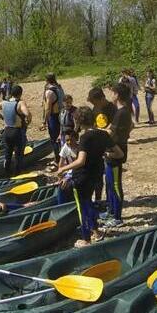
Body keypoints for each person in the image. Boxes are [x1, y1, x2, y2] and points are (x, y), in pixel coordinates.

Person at [56, 106, 124, 248]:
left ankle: (86, 239)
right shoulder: (103, 134)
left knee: (83, 207)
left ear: (79, 122)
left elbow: (81, 161)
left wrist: (63, 168)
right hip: (97, 174)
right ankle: (97, 232)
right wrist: (105, 154)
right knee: (88, 203)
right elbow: (119, 154)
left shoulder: (85, 137)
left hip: (82, 177)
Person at [102, 82, 133, 225]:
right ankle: (111, 211)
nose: (111, 96)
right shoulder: (122, 111)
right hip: (112, 150)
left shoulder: (122, 112)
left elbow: (110, 131)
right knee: (109, 184)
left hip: (116, 152)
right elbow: (130, 126)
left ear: (117, 95)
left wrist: (95, 132)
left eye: (113, 93)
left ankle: (117, 217)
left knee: (115, 184)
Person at [0, 85, 32, 176]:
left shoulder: (4, 102)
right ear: (20, 94)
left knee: (8, 153)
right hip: (17, 132)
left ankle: (7, 172)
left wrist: (2, 118)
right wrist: (28, 121)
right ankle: (17, 173)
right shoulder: (20, 103)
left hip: (7, 131)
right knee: (18, 154)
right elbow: (27, 113)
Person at [87, 86, 116, 202]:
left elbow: (113, 129)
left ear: (101, 99)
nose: (94, 104)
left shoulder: (112, 109)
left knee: (110, 179)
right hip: (97, 146)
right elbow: (94, 124)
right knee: (97, 176)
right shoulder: (95, 108)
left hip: (109, 147)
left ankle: (110, 202)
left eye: (95, 102)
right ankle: (98, 200)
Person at [42, 73, 64, 169]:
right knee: (61, 137)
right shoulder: (59, 88)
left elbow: (48, 109)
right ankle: (62, 157)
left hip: (54, 117)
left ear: (46, 80)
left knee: (54, 139)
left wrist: (44, 121)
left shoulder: (49, 92)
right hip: (62, 115)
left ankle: (57, 160)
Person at [55, 130, 79, 204]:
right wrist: (60, 177)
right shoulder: (66, 147)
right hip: (70, 173)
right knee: (61, 185)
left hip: (79, 173)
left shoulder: (80, 149)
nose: (69, 142)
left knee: (65, 186)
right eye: (67, 140)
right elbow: (61, 164)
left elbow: (79, 167)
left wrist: (67, 178)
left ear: (76, 139)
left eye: (71, 140)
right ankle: (62, 205)